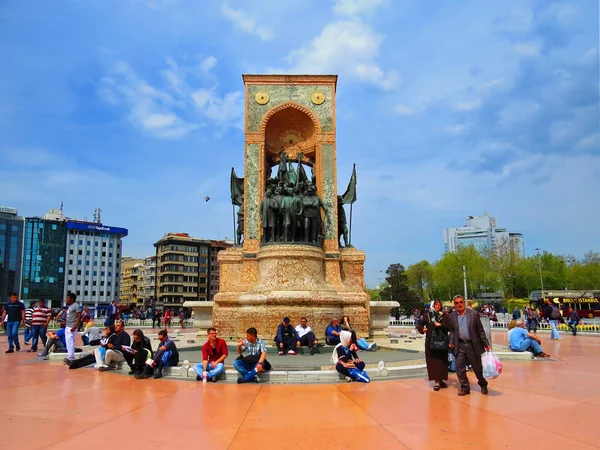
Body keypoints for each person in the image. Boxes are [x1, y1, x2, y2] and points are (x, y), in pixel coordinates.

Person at [448, 294, 491, 396]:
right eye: (457, 303)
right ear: (454, 305)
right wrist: (451, 341)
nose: (459, 304)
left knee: (477, 368)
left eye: (461, 302)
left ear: (464, 302)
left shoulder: (473, 314)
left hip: (472, 345)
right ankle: (465, 387)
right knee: (460, 368)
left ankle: (483, 384)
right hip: (460, 345)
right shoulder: (452, 316)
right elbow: (452, 331)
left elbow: (480, 330)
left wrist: (486, 343)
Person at [417, 299, 450, 391]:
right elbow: (419, 324)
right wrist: (422, 329)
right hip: (431, 341)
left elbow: (449, 326)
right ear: (433, 305)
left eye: (439, 305)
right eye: (436, 305)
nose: (437, 306)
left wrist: (441, 325)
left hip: (442, 341)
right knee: (433, 362)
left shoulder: (444, 315)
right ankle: (436, 382)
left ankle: (441, 380)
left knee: (442, 362)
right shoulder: (427, 315)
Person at [64, 293, 82, 366]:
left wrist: (75, 326)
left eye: (67, 298)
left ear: (72, 299)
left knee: (70, 341)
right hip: (68, 326)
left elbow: (79, 316)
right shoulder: (70, 306)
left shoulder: (76, 305)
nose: (66, 299)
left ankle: (71, 357)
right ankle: (70, 355)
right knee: (68, 342)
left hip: (71, 326)